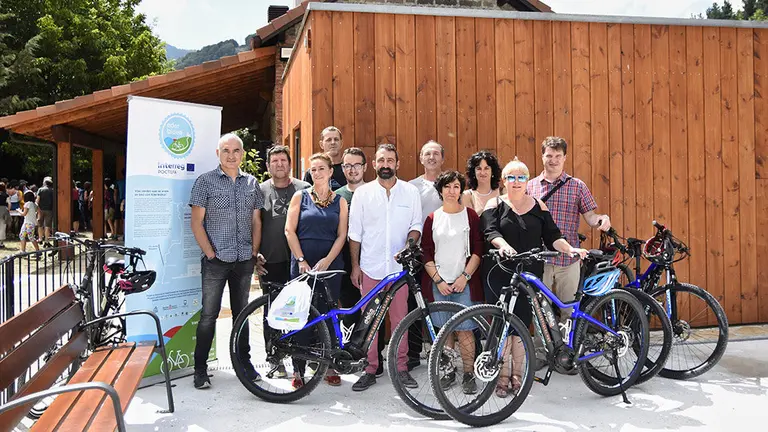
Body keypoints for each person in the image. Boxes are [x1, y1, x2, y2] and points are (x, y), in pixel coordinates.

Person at [483, 157, 588, 398]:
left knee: (521, 326)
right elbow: (490, 231)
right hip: (500, 273)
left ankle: (517, 375)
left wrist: (570, 248)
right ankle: (501, 377)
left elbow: (553, 236)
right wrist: (503, 245)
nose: (517, 182)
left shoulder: (539, 206)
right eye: (511, 177)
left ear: (527, 181)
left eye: (521, 177)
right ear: (503, 181)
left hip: (529, 274)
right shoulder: (494, 204)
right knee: (502, 325)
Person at [188, 133, 265, 390]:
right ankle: (200, 369)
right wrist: (211, 254)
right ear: (218, 154)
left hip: (244, 260)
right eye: (226, 151)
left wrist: (253, 253)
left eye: (236, 151)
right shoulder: (205, 182)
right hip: (216, 261)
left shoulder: (252, 183)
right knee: (209, 316)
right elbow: (196, 223)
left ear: (242, 154)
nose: (231, 155)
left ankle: (244, 363)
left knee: (241, 315)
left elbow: (256, 221)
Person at [348, 143, 422, 392]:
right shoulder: (362, 194)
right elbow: (355, 234)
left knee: (400, 320)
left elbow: (416, 226)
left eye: (390, 160)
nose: (386, 164)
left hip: (399, 271)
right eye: (381, 160)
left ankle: (400, 369)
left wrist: (409, 245)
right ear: (375, 164)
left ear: (397, 164)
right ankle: (370, 369)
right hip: (370, 267)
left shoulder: (410, 192)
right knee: (370, 321)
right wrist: (355, 266)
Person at [526, 137, 611, 321]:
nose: (553, 160)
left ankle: (568, 350)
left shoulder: (577, 186)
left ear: (565, 157)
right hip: (541, 259)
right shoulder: (529, 186)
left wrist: (601, 219)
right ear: (542, 157)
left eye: (558, 156)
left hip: (569, 260)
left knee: (570, 312)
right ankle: (541, 351)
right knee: (540, 313)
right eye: (549, 155)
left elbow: (590, 217)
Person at [284, 152, 348, 389]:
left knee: (328, 315)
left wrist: (329, 260)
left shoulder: (340, 201)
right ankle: (298, 369)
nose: (317, 173)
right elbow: (289, 231)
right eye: (314, 169)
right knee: (301, 314)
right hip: (303, 265)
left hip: (330, 267)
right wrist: (301, 259)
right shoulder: (300, 197)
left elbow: (342, 234)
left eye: (322, 168)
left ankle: (328, 364)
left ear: (331, 172)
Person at [420, 170, 484, 394]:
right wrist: (438, 280)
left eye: (456, 186)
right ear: (440, 190)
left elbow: (478, 249)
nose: (451, 191)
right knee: (444, 331)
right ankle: (448, 372)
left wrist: (464, 277)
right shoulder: (432, 218)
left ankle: (468, 374)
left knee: (466, 330)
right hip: (440, 284)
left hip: (464, 283)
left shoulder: (470, 216)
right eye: (447, 186)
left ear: (461, 190)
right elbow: (426, 253)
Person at [257, 144, 310, 378]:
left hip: (300, 261)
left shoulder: (305, 188)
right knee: (273, 311)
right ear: (268, 166)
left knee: (304, 309)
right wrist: (253, 254)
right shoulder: (258, 191)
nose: (279, 164)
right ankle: (275, 358)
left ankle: (306, 357)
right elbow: (253, 225)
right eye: (275, 161)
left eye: (283, 160)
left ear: (290, 164)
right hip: (271, 261)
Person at [334, 147, 386, 377]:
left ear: (366, 167)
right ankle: (354, 357)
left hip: (374, 263)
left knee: (375, 312)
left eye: (356, 165)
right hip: (346, 263)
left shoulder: (377, 192)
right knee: (350, 311)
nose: (352, 169)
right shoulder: (338, 196)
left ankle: (376, 358)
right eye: (347, 165)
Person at [406, 140, 446, 369]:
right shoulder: (411, 187)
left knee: (440, 301)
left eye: (436, 154)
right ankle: (412, 354)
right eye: (427, 154)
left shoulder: (450, 184)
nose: (431, 157)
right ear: (421, 158)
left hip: (443, 254)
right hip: (417, 254)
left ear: (442, 158)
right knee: (414, 303)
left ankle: (441, 354)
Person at [461, 150, 503, 215]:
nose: (482, 172)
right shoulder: (467, 196)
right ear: (473, 172)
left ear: (493, 171)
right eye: (479, 168)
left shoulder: (503, 193)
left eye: (486, 168)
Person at [19, 191, 41, 256]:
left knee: (25, 236)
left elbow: (24, 214)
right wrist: (38, 219)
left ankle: (36, 251)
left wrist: (19, 211)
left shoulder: (27, 204)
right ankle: (24, 251)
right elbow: (39, 212)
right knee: (24, 236)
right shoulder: (35, 204)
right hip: (30, 223)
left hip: (27, 223)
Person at [36, 177, 54, 247]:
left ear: (45, 183)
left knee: (40, 225)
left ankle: (40, 239)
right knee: (47, 226)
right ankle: (46, 240)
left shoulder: (40, 189)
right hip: (49, 210)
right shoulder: (52, 190)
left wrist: (37, 209)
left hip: (40, 210)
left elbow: (37, 201)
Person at [0, 182, 9, 249]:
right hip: (3, 210)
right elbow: (9, 203)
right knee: (2, 227)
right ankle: (1, 243)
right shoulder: (6, 195)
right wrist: (7, 210)